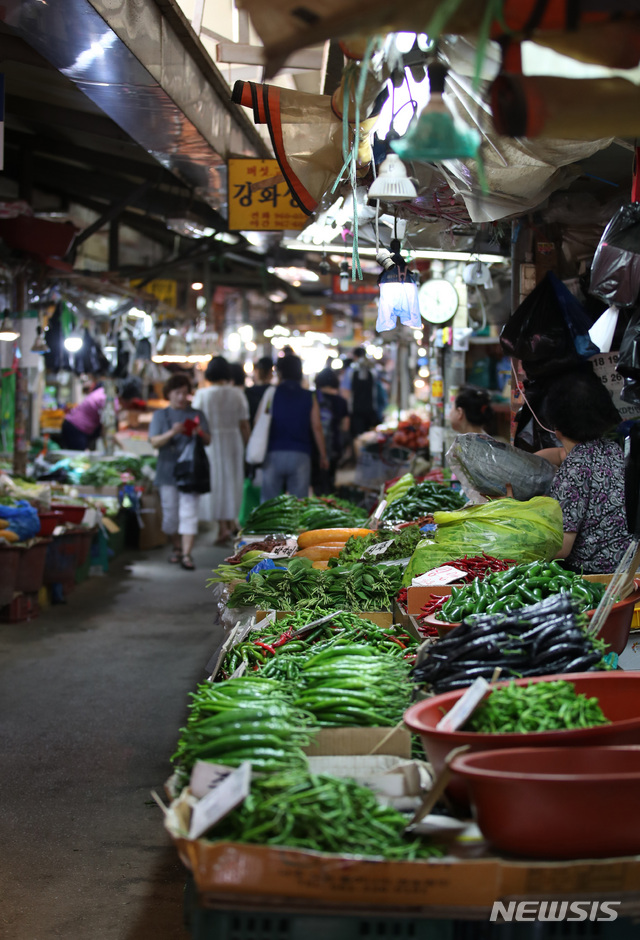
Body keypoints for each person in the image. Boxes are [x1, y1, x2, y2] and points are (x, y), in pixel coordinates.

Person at [539, 369, 630, 573]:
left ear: (556, 428)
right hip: (628, 566)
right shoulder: (612, 449)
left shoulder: (575, 469)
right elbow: (561, 455)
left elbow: (561, 547)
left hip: (596, 575)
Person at [148, 373, 210, 571]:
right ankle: (176, 546)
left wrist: (198, 431)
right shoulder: (160, 416)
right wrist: (172, 432)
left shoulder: (197, 414)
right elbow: (154, 441)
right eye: (178, 393)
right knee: (170, 516)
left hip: (192, 473)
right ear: (169, 394)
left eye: (185, 393)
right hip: (167, 471)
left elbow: (209, 440)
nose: (182, 397)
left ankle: (186, 554)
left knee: (189, 513)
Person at [192, 356, 250, 544]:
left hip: (211, 442)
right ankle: (229, 524)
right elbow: (244, 425)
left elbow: (195, 422)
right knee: (232, 482)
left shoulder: (202, 394)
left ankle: (223, 527)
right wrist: (247, 446)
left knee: (216, 482)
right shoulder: (237, 394)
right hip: (233, 441)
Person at [260, 354, 328, 502]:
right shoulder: (309, 396)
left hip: (273, 453)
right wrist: (323, 455)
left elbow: (260, 421)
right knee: (299, 504)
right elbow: (317, 427)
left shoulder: (272, 393)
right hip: (300, 455)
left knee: (268, 505)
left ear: (280, 372)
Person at [60, 374, 139, 450]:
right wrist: (122, 447)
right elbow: (106, 430)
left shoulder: (105, 392)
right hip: (76, 429)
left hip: (70, 424)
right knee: (78, 459)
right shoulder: (111, 401)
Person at [312, 367, 349, 495]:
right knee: (330, 479)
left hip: (314, 446)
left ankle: (318, 499)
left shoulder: (313, 398)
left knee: (316, 480)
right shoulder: (341, 402)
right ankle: (330, 500)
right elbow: (345, 426)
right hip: (334, 446)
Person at [340, 347, 379, 438]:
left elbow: (345, 393)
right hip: (371, 410)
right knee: (370, 438)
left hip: (355, 411)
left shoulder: (350, 371)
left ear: (355, 356)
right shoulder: (373, 371)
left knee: (358, 438)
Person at [245, 356, 274, 427]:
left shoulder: (248, 391)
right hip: (267, 430)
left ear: (257, 371)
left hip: (252, 430)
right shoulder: (273, 391)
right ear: (270, 372)